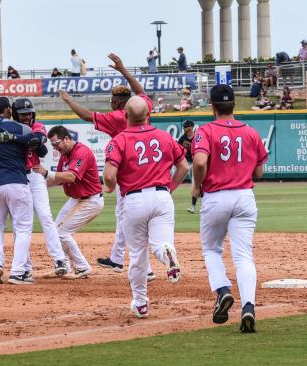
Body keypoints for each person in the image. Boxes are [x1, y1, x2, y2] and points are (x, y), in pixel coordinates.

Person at [59, 53, 157, 280]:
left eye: (112, 101)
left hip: (129, 174)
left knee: (129, 218)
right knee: (124, 216)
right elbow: (141, 92)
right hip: (149, 172)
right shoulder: (142, 107)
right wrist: (123, 69)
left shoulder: (117, 117)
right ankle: (116, 257)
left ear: (117, 103)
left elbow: (85, 116)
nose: (111, 103)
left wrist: (68, 100)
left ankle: (147, 269)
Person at [191, 84, 268, 333]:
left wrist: (196, 184)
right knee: (244, 256)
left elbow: (200, 161)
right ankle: (248, 307)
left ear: (212, 107)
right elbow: (259, 171)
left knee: (212, 249)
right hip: (245, 196)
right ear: (233, 105)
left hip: (216, 196)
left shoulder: (206, 131)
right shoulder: (251, 132)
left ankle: (223, 290)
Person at [103, 96, 188, 318]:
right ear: (148, 115)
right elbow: (183, 167)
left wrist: (110, 187)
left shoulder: (118, 140)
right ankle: (166, 254)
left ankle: (141, 303)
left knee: (138, 255)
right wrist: (170, 187)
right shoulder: (164, 136)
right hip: (162, 196)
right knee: (161, 244)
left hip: (134, 199)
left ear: (125, 115)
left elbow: (109, 176)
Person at [0, 97, 42, 285]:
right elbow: (36, 141)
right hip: (16, 181)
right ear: (8, 109)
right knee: (22, 228)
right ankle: (18, 272)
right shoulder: (21, 128)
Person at [33, 125, 103, 278]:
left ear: (66, 138)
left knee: (62, 233)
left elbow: (70, 177)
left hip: (90, 200)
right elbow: (57, 180)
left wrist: (45, 172)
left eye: (56, 143)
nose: (55, 148)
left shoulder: (81, 152)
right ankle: (63, 266)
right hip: (77, 199)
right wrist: (35, 185)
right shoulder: (64, 155)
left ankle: (82, 267)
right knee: (54, 232)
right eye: (52, 145)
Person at [11, 97, 67, 277]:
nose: (27, 116)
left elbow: (38, 139)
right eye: (22, 114)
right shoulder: (12, 128)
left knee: (45, 215)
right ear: (15, 115)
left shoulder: (38, 126)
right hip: (18, 176)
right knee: (19, 223)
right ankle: (25, 264)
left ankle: (60, 259)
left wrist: (16, 139)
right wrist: (25, 140)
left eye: (29, 113)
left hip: (35, 175)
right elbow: (33, 143)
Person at [178, 120, 198, 213]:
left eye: (186, 126)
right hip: (186, 162)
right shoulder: (183, 138)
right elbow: (178, 149)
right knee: (174, 177)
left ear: (191, 127)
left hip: (195, 162)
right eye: (184, 126)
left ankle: (193, 207)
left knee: (195, 184)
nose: (185, 128)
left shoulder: (197, 137)